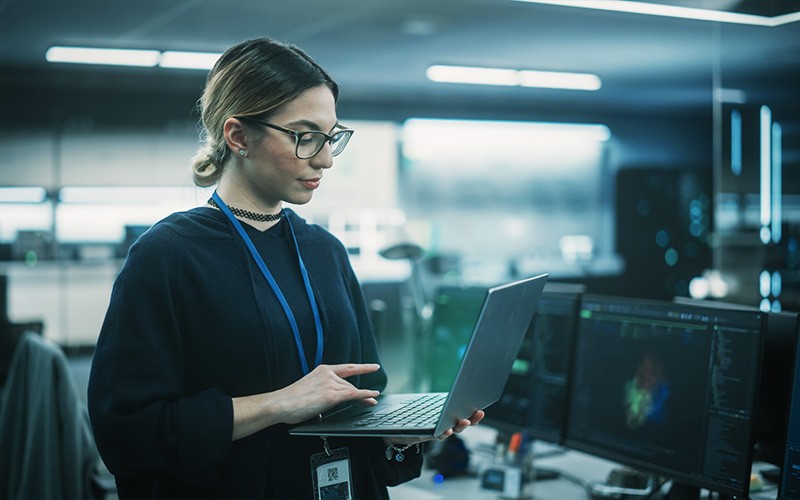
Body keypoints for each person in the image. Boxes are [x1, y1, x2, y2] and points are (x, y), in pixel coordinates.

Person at [87, 37, 483, 498]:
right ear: (238, 137)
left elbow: (366, 395)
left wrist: (401, 431)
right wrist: (278, 404)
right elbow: (126, 433)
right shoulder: (168, 255)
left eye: (331, 136)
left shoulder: (325, 251)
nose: (325, 159)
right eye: (304, 137)